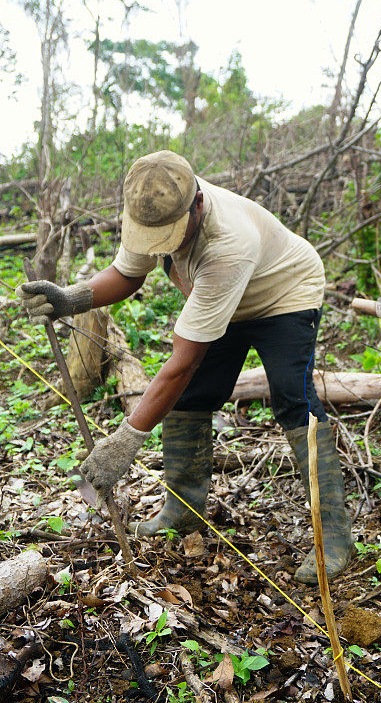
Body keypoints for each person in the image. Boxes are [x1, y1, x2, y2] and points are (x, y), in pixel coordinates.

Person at [17, 150, 353, 584]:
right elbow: (127, 273)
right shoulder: (150, 205)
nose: (165, 245)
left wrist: (126, 440)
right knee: (191, 399)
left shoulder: (228, 241)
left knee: (293, 400)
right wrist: (72, 298)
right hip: (223, 300)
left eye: (173, 234)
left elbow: (183, 362)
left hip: (284, 294)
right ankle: (183, 510)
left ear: (196, 203)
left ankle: (335, 536)